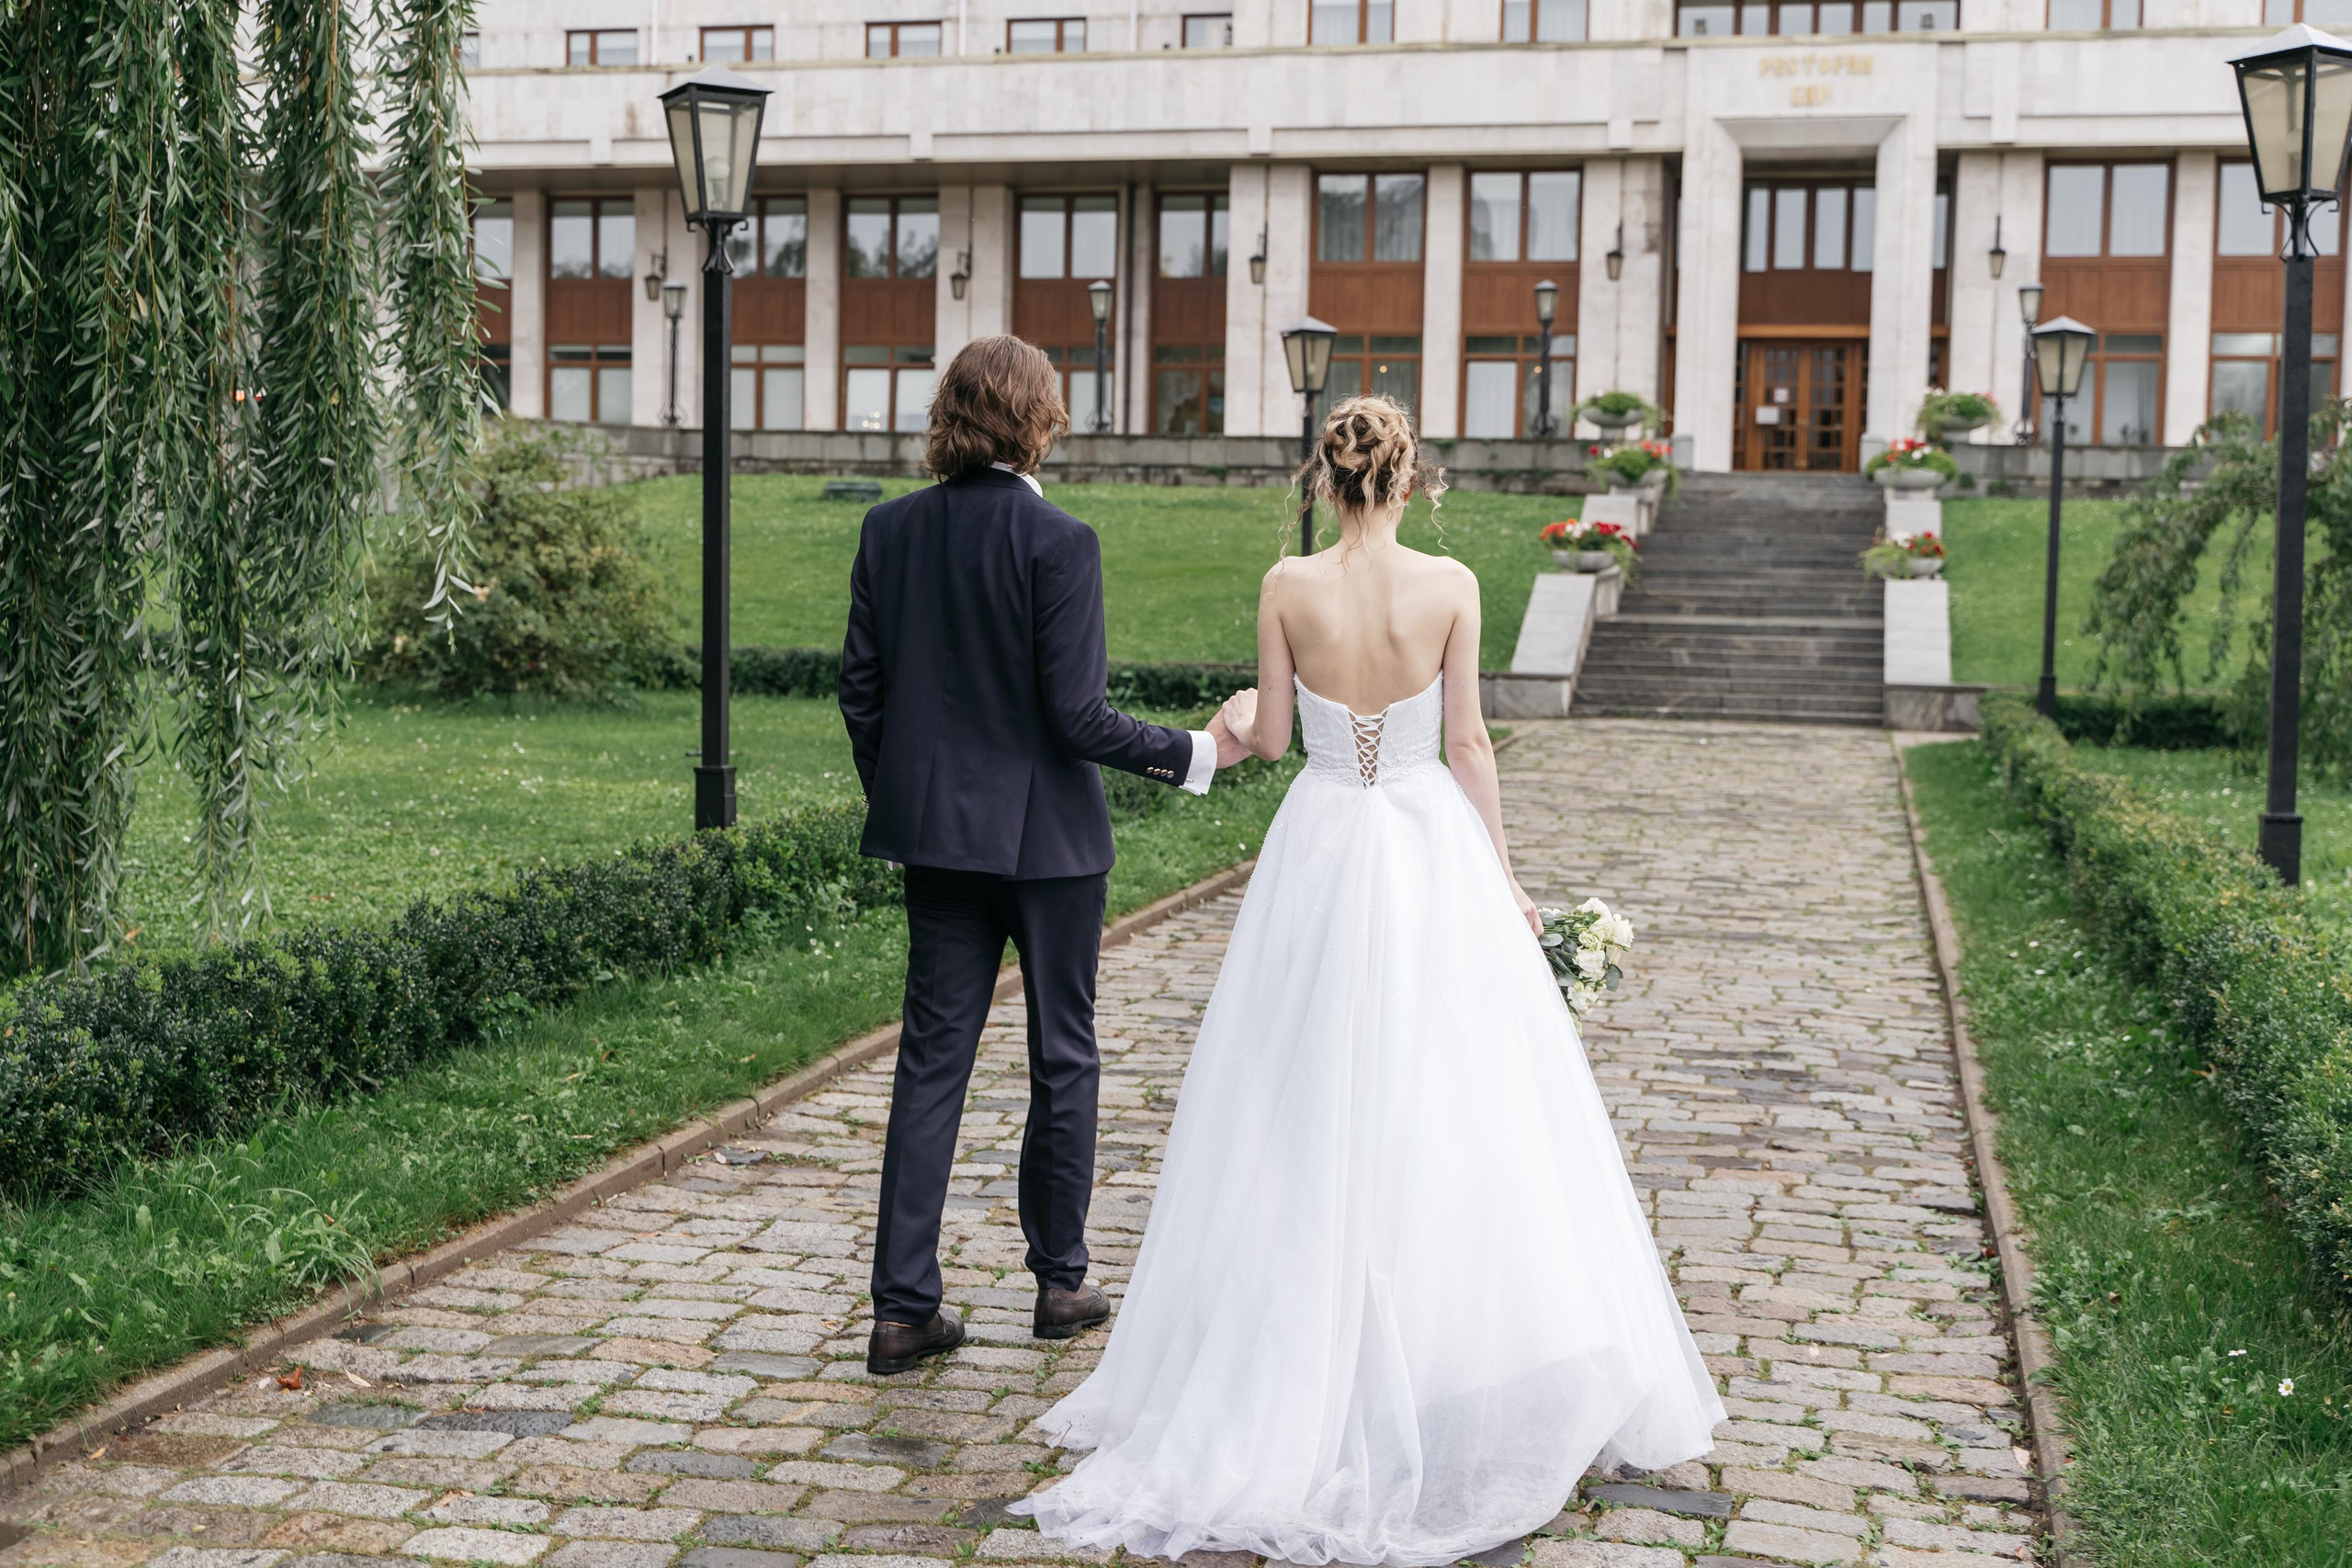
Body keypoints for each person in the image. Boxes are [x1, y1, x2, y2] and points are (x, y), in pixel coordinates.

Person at [1012, 395, 1726, 1566]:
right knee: (1448, 1093)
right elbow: (1467, 746)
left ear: (1326, 480)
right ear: (1408, 481)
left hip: (1323, 845)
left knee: (1297, 1096)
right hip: (1427, 844)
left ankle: (1301, 1348)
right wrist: (1504, 880)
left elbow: (1274, 729)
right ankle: (1452, 1353)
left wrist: (1232, 721)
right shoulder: (1449, 585)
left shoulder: (1286, 585)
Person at [838, 335, 1249, 1378]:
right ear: (1037, 418)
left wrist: (915, 796)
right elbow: (1075, 717)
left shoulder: (888, 532)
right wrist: (1196, 751)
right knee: (1063, 1053)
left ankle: (901, 1309)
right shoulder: (1060, 541)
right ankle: (1059, 1283)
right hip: (1050, 848)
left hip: (940, 843)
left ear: (951, 415)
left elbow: (861, 694)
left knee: (932, 1061)